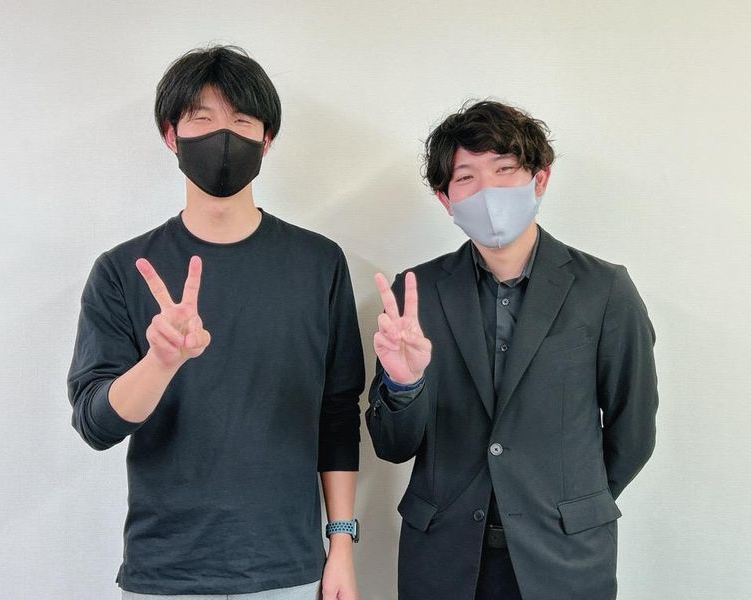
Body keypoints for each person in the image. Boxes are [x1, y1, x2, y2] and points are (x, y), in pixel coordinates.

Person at [67, 45, 364, 600]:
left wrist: (341, 545)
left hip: (289, 568)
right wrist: (160, 363)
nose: (222, 136)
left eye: (241, 121)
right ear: (170, 135)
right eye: (201, 119)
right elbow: (95, 425)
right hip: (166, 572)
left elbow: (339, 412)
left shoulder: (319, 263)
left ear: (266, 139)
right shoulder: (124, 270)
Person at [366, 99, 658, 600]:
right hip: (443, 558)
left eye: (504, 170)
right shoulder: (416, 294)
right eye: (466, 178)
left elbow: (633, 432)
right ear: (446, 199)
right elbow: (392, 447)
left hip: (564, 559)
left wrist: (574, 506)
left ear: (539, 179)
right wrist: (404, 383)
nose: (488, 190)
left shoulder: (604, 289)